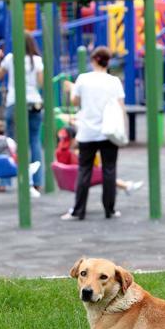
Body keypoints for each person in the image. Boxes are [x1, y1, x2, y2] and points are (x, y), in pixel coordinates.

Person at [60, 46, 126, 220]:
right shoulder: (114, 81)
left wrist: (72, 89)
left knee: (84, 170)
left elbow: (75, 101)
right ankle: (109, 209)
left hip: (87, 131)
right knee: (109, 170)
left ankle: (78, 210)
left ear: (94, 60)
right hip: (108, 132)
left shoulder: (83, 79)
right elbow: (120, 106)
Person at [0, 31, 44, 192]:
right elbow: (40, 83)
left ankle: (5, 181)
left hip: (15, 103)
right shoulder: (37, 60)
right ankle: (36, 180)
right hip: (34, 102)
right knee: (34, 140)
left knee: (10, 143)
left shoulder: (11, 58)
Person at [56, 126, 143, 195]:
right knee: (105, 172)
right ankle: (126, 186)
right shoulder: (71, 153)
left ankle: (122, 186)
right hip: (77, 175)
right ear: (73, 139)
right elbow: (81, 164)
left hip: (72, 174)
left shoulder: (60, 150)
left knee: (104, 173)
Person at [0, 120, 41, 197]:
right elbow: (14, 149)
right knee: (24, 168)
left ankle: (29, 170)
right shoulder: (8, 141)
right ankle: (30, 182)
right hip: (10, 165)